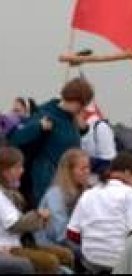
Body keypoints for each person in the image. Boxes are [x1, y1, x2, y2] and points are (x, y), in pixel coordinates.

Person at [8, 77, 94, 206]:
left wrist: (83, 130)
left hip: (69, 182)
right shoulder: (45, 114)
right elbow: (16, 139)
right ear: (76, 101)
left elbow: (68, 139)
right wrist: (38, 127)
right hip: (48, 182)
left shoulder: (72, 118)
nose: (82, 109)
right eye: (82, 105)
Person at [67, 152, 132, 273]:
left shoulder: (89, 193)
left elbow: (72, 233)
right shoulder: (131, 195)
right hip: (120, 264)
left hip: (90, 262)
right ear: (127, 173)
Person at [0, 146, 74, 273]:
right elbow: (15, 224)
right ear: (4, 171)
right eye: (17, 167)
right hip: (7, 246)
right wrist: (38, 215)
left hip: (21, 242)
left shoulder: (12, 193)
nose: (22, 171)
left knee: (66, 255)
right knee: (49, 262)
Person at [35, 149, 91, 247]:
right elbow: (61, 233)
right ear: (69, 171)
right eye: (83, 169)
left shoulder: (87, 191)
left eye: (88, 168)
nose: (87, 172)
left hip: (75, 240)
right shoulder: (55, 194)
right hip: (52, 245)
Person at [81, 102, 116, 185]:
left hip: (96, 183)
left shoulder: (100, 127)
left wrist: (81, 163)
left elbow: (109, 161)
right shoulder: (73, 127)